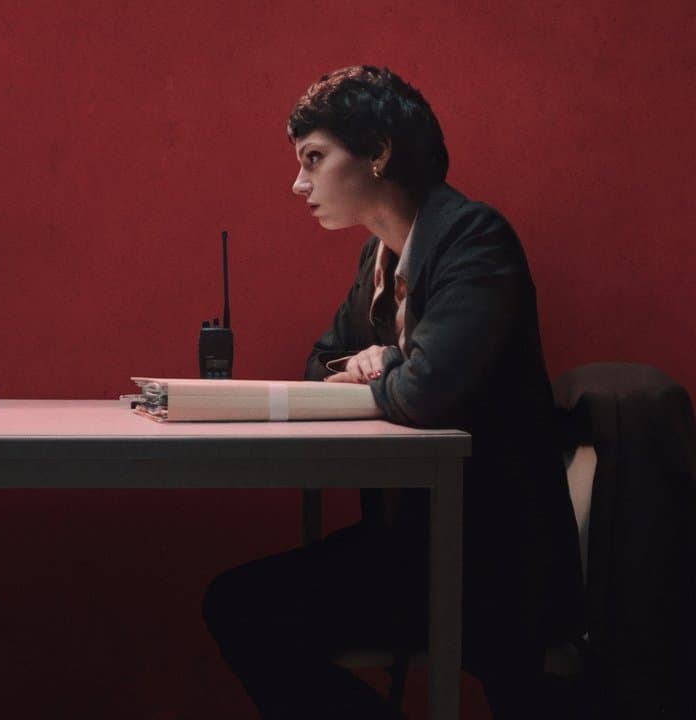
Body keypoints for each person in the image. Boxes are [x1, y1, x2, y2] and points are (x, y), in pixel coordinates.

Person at [202, 66, 584, 719]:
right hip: (416, 546)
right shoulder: (379, 259)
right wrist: (376, 365)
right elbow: (319, 366)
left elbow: (425, 391)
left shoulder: (474, 240)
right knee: (237, 604)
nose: (299, 184)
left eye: (314, 159)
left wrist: (390, 364)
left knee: (244, 609)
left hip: (493, 565)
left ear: (378, 152)